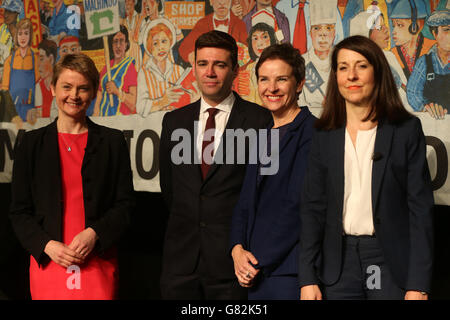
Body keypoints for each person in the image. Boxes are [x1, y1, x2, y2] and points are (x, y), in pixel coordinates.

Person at [298, 35, 434, 300]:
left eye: (361, 65)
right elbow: (312, 208)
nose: (352, 76)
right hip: (337, 262)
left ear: (377, 72)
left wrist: (418, 284)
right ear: (335, 76)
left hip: (387, 260)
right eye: (343, 67)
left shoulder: (405, 131)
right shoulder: (323, 134)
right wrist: (307, 277)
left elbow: (420, 211)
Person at [9, 53, 135, 300]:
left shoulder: (112, 142)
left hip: (97, 261)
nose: (74, 96)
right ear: (53, 88)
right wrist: (47, 245)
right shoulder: (31, 144)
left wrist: (95, 233)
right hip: (49, 262)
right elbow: (19, 212)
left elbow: (125, 205)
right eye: (67, 87)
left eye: (83, 88)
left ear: (94, 92)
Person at [159, 30, 271, 299]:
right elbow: (170, 191)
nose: (209, 72)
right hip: (180, 266)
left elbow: (265, 196)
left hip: (232, 266)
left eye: (219, 65)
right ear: (194, 67)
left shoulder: (260, 121)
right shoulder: (174, 122)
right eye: (202, 64)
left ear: (234, 70)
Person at [230, 43, 316, 299]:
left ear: (299, 84)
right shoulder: (263, 134)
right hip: (253, 272)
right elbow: (245, 201)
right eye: (264, 79)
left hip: (288, 272)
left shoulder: (314, 132)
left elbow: (297, 205)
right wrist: (236, 249)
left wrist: (256, 261)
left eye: (281, 79)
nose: (272, 88)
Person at [136, 18, 187, 116]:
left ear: (170, 42)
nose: (160, 47)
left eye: (164, 41)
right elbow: (140, 108)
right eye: (155, 43)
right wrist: (162, 102)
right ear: (150, 47)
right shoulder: (144, 72)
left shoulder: (179, 71)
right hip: (153, 126)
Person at [407, 9, 450, 119]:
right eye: (446, 30)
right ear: (434, 34)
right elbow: (413, 92)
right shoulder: (424, 62)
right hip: (430, 122)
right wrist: (425, 108)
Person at [178, 0, 248, 66]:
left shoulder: (239, 24)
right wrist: (191, 55)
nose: (222, 3)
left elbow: (247, 51)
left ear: (230, 2)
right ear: (211, 2)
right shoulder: (202, 23)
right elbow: (184, 48)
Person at [1, 18, 40, 122]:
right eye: (20, 33)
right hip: (12, 112)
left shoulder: (35, 59)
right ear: (16, 36)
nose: (23, 37)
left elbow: (38, 87)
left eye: (26, 33)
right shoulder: (9, 61)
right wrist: (13, 116)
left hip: (30, 111)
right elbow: (5, 90)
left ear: (30, 35)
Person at [94, 25, 138, 116]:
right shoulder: (106, 67)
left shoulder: (130, 67)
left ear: (126, 44)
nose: (118, 46)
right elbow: (99, 95)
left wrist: (117, 91)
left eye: (121, 41)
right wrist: (96, 115)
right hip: (103, 117)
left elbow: (133, 105)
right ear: (111, 45)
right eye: (115, 42)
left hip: (120, 119)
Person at [390, 0, 435, 80]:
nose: (394, 31)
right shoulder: (392, 55)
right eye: (394, 26)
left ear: (416, 27)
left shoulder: (434, 48)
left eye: (400, 25)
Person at [238, 22, 277, 105]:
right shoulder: (249, 68)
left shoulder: (278, 67)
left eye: (265, 37)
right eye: (255, 39)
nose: (260, 43)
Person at [35, 39, 58, 118]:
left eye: (41, 59)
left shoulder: (61, 83)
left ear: (51, 59)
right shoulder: (38, 87)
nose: (38, 64)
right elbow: (39, 117)